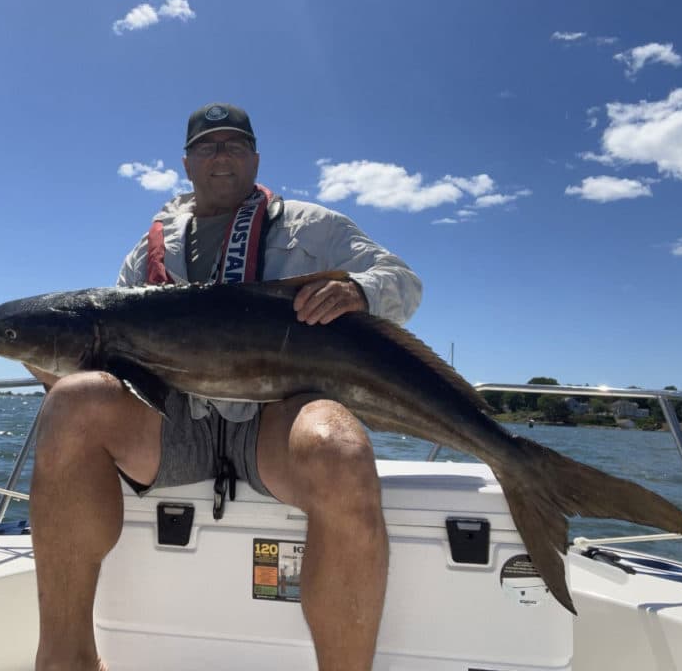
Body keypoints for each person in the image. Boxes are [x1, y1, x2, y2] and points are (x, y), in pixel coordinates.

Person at [28, 103, 422, 671]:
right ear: (187, 164)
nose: (222, 156)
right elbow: (110, 355)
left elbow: (404, 282)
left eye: (235, 145)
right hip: (173, 421)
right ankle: (66, 659)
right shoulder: (150, 250)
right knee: (71, 401)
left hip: (274, 419)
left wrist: (361, 291)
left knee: (339, 444)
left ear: (256, 159)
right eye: (209, 146)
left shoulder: (314, 227)